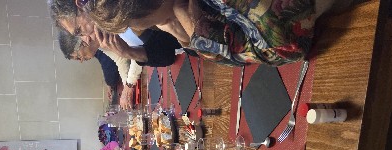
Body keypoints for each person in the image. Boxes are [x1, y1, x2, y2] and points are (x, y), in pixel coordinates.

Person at [83, 0, 339, 66]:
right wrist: (184, 33)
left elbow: (287, 46)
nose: (145, 28)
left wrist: (194, 28)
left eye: (138, 24)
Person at [50, 0, 182, 67]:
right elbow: (169, 49)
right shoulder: (113, 29)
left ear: (82, 4)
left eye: (79, 31)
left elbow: (169, 47)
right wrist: (127, 52)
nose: (86, 37)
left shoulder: (120, 11)